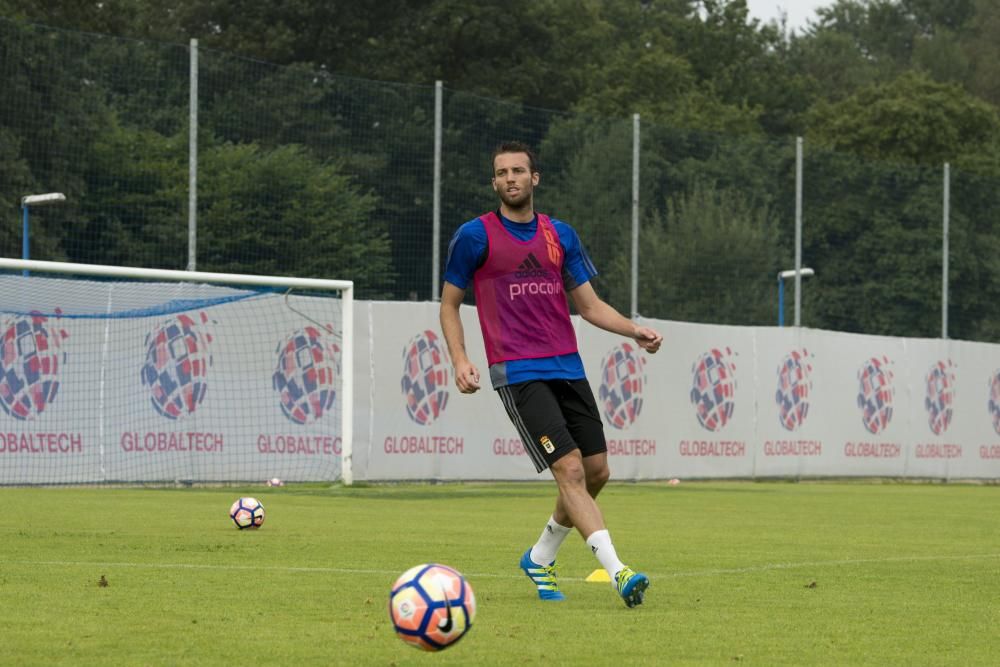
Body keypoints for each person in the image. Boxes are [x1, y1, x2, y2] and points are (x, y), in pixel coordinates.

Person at [439, 141, 663, 608]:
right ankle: (619, 571)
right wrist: (460, 359)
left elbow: (590, 305)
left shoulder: (560, 235)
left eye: (518, 171)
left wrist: (633, 330)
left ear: (535, 178)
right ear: (494, 182)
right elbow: (450, 304)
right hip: (518, 372)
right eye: (501, 173)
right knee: (570, 468)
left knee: (597, 470)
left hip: (568, 365)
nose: (510, 179)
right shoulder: (474, 236)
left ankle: (540, 556)